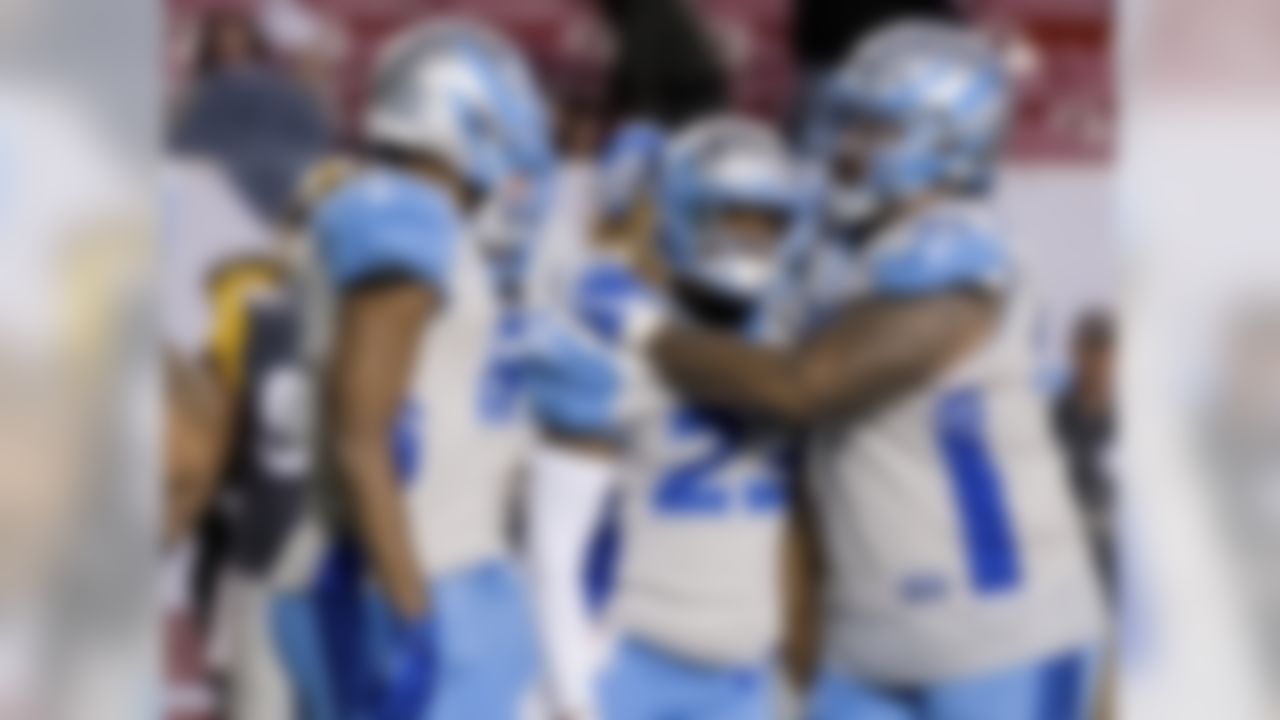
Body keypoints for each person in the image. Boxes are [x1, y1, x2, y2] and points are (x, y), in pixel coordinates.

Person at [560, 20, 1105, 719]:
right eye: (850, 126)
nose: (845, 149)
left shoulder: (959, 251)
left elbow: (803, 384)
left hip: (999, 641)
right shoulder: (843, 242)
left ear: (943, 139)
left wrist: (645, 331)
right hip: (866, 641)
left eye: (872, 132)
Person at [268, 20, 554, 719]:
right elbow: (362, 439)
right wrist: (416, 619)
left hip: (444, 568)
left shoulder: (425, 218)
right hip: (399, 579)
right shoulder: (400, 211)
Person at [524, 115, 808, 720]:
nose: (750, 240)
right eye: (731, 217)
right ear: (683, 212)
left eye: (768, 222)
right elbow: (553, 543)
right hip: (628, 668)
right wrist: (574, 696)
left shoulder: (790, 346)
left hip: (742, 675)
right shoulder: (608, 328)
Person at [1053, 310, 1116, 592]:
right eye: (1090, 351)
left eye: (1106, 353)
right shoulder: (1047, 420)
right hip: (1063, 571)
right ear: (1075, 352)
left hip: (1116, 573)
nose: (1097, 364)